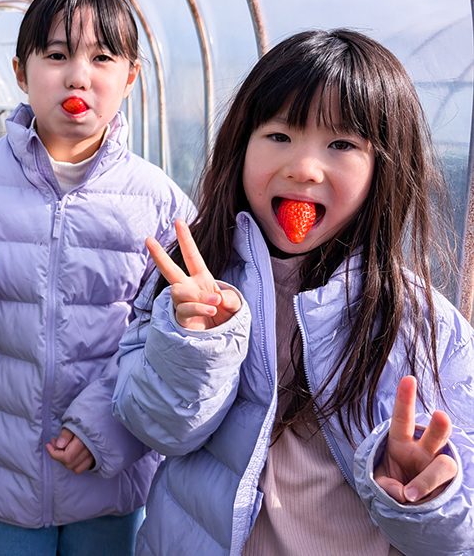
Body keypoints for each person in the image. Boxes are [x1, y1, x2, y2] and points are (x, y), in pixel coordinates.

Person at [112, 29, 474, 556]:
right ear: (241, 146)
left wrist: (427, 497)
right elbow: (158, 430)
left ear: (385, 168)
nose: (304, 168)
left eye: (342, 145)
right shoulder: (193, 284)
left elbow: (459, 533)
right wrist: (194, 349)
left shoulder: (418, 321)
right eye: (279, 135)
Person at [0, 0, 194, 555]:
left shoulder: (159, 202)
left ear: (129, 77)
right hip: (0, 472)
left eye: (101, 58)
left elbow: (170, 343)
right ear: (21, 72)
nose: (78, 76)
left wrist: (108, 431)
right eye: (56, 56)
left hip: (110, 473)